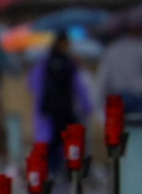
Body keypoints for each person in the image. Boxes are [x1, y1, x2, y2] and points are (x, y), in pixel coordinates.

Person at [30, 33, 96, 172]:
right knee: (69, 141)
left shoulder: (45, 62)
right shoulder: (70, 63)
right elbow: (79, 87)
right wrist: (87, 107)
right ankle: (69, 170)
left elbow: (32, 84)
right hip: (66, 109)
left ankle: (52, 170)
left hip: (48, 109)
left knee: (51, 141)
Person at [98, 29, 142, 115]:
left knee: (120, 126)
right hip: (138, 98)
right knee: (140, 126)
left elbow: (102, 79)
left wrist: (99, 104)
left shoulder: (111, 48)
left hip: (117, 98)